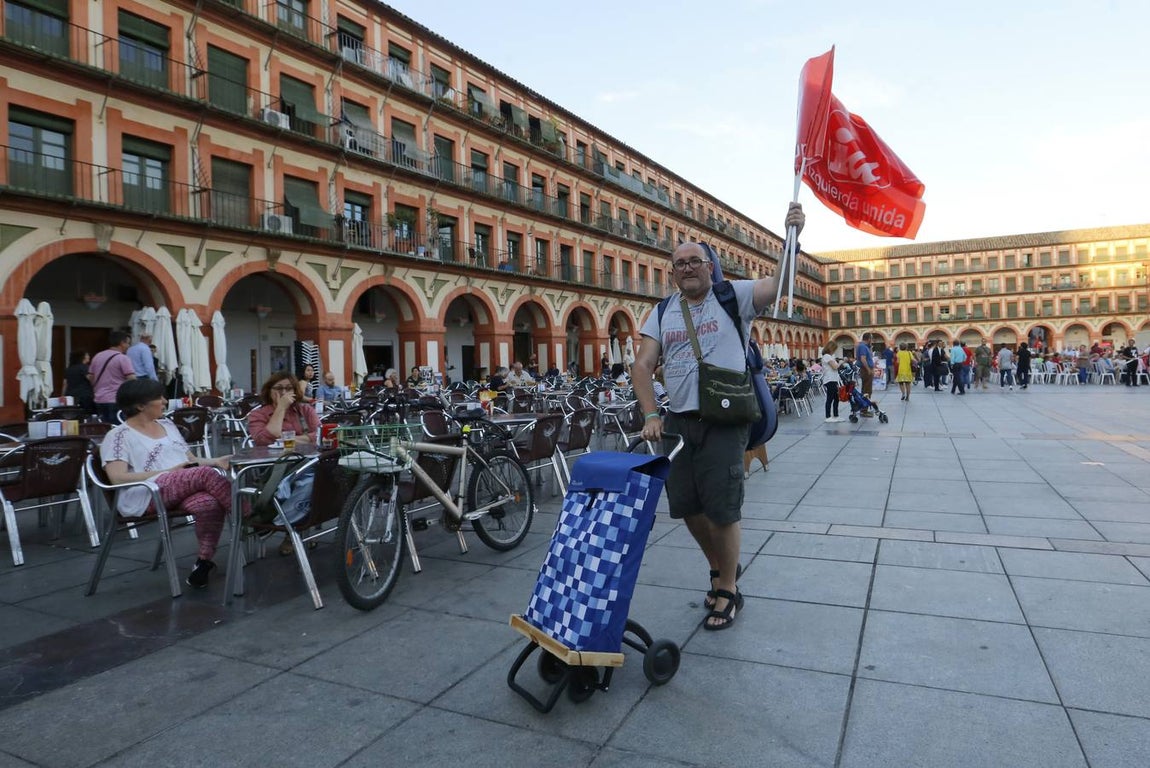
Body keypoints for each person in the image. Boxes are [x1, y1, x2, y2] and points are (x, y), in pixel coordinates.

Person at [634, 202, 805, 631]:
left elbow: (780, 282)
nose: (688, 268)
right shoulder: (660, 312)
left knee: (723, 509)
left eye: (695, 261)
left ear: (711, 267)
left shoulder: (734, 297)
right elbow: (641, 366)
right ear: (672, 273)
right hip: (678, 421)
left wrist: (792, 239)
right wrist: (651, 413)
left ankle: (726, 588)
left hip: (727, 419)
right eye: (679, 264)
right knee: (688, 508)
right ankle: (721, 568)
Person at [103, 378, 232, 588]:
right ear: (140, 405)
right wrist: (167, 472)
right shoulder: (118, 436)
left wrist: (216, 461)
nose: (164, 401)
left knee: (209, 503)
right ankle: (249, 516)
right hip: (145, 494)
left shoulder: (167, 424)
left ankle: (203, 562)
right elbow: (117, 477)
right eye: (159, 398)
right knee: (206, 475)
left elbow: (189, 460)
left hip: (182, 485)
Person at [247, 372, 321, 556]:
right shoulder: (258, 414)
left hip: (306, 462)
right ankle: (293, 527)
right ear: (269, 391)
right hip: (274, 467)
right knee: (307, 482)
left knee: (317, 477)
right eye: (279, 388)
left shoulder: (305, 411)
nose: (284, 392)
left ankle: (284, 522)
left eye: (288, 388)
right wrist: (280, 408)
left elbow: (318, 435)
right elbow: (263, 439)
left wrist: (291, 439)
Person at [89, 331, 137, 423]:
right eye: (128, 343)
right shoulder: (122, 358)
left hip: (99, 399)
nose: (128, 346)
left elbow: (91, 377)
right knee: (118, 429)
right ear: (122, 343)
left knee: (104, 428)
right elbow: (132, 379)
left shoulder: (97, 356)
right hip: (116, 399)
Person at [820, 341, 844, 421]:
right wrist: (840, 362)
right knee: (830, 398)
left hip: (833, 379)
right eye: (834, 349)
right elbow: (835, 367)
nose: (835, 351)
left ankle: (836, 415)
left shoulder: (829, 356)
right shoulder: (827, 356)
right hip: (829, 380)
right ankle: (828, 417)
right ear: (831, 348)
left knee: (836, 398)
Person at [854, 334, 875, 415]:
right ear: (869, 339)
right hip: (866, 370)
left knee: (866, 389)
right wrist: (868, 369)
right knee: (867, 390)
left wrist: (870, 348)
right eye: (871, 339)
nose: (872, 341)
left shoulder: (865, 346)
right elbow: (863, 359)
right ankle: (864, 410)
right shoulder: (862, 346)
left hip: (866, 370)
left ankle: (864, 408)